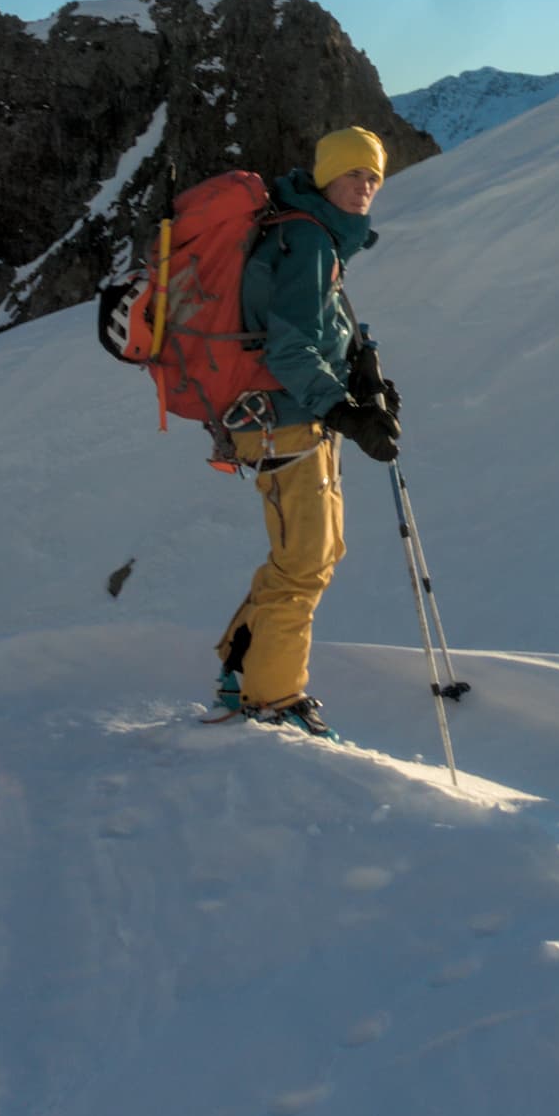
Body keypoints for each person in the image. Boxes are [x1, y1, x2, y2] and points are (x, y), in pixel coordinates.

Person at [213, 126, 404, 736]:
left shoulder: (315, 234)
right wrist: (342, 410)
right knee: (304, 563)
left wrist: (362, 373)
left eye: (373, 176)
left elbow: (319, 330)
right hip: (284, 421)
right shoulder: (308, 236)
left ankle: (242, 666)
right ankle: (271, 701)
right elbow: (290, 347)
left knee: (314, 554)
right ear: (326, 177)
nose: (365, 186)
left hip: (293, 420)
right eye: (353, 174)